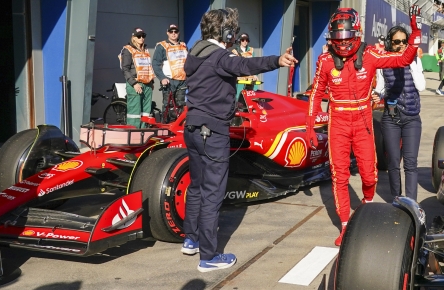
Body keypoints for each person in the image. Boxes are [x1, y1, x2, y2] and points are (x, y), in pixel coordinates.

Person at [182, 7, 297, 272]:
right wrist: (276, 60)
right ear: (227, 32)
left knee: (197, 186)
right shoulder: (220, 56)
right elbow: (244, 65)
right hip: (213, 131)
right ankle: (208, 256)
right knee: (213, 193)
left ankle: (191, 239)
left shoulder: (195, 53)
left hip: (192, 128)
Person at [306, 7, 421, 246]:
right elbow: (316, 93)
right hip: (337, 123)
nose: (343, 44)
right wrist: (310, 125)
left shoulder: (369, 55)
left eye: (347, 38)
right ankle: (346, 225)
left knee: (369, 175)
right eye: (339, 39)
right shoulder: (325, 60)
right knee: (339, 176)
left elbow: (403, 59)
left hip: (363, 124)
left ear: (356, 33)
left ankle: (366, 207)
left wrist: (415, 33)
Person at [373, 26, 425, 202]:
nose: (402, 45)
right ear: (390, 43)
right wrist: (376, 93)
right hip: (391, 118)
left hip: (412, 118)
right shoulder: (383, 62)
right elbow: (381, 87)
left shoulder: (415, 61)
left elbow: (421, 86)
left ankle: (411, 204)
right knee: (393, 162)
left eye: (405, 41)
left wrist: (411, 61)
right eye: (397, 42)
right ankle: (396, 199)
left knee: (410, 164)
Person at [120, 27, 155, 128]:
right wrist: (134, 84)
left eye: (143, 36)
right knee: (134, 113)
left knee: (146, 113)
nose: (141, 38)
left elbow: (148, 67)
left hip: (147, 84)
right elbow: (125, 69)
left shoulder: (145, 50)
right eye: (138, 36)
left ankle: (143, 134)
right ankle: (133, 136)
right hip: (135, 84)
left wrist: (151, 82)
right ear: (133, 38)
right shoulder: (128, 50)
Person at [152, 24, 188, 119]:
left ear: (178, 33)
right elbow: (155, 64)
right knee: (169, 107)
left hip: (182, 81)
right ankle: (166, 128)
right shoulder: (162, 46)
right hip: (169, 81)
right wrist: (162, 78)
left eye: (175, 31)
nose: (173, 33)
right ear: (167, 33)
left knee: (180, 106)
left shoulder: (183, 45)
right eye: (171, 31)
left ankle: (179, 129)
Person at [231, 32, 258, 99]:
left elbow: (254, 64)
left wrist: (255, 75)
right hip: (240, 77)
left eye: (246, 40)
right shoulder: (235, 51)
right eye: (243, 39)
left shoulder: (251, 50)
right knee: (238, 96)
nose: (245, 41)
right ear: (240, 40)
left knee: (252, 96)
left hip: (250, 77)